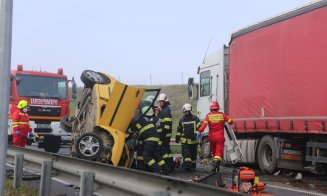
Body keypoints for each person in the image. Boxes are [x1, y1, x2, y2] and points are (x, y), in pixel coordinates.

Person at [128, 106, 169, 174]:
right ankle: (165, 169)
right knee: (155, 154)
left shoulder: (139, 121)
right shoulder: (145, 119)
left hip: (150, 139)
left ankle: (157, 169)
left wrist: (126, 132)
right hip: (155, 138)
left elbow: (132, 130)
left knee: (146, 154)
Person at [198, 101, 233, 172]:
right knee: (218, 152)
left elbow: (203, 126)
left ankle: (215, 165)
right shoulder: (222, 115)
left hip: (212, 137)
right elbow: (231, 121)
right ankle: (216, 164)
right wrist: (226, 117)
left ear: (211, 108)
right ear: (218, 108)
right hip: (220, 137)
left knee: (214, 151)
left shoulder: (208, 116)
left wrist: (199, 131)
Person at [176, 103, 201, 172]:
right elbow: (179, 129)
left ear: (190, 111)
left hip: (194, 141)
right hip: (185, 141)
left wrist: (195, 135)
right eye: (184, 112)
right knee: (186, 154)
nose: (185, 113)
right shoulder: (182, 119)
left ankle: (193, 166)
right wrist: (177, 136)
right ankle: (187, 166)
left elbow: (200, 128)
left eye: (186, 111)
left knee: (193, 155)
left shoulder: (196, 119)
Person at [157, 93, 175, 172]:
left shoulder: (166, 111)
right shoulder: (164, 110)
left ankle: (167, 167)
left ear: (165, 102)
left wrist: (162, 134)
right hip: (164, 134)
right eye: (159, 102)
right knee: (167, 151)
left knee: (164, 151)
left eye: (161, 101)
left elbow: (167, 125)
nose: (160, 103)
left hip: (164, 135)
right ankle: (171, 166)